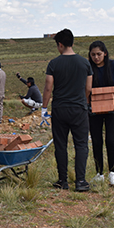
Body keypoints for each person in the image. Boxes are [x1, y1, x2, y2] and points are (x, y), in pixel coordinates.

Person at [42, 28, 92, 192]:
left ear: (60, 45)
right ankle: (81, 181)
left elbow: (48, 88)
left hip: (60, 109)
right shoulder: (85, 63)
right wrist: (82, 101)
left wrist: (44, 107)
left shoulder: (54, 63)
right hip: (79, 109)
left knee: (61, 145)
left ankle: (62, 181)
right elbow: (89, 87)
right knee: (81, 145)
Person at [88, 41, 114, 186]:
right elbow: (86, 89)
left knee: (110, 140)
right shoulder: (88, 68)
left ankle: (112, 173)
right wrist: (88, 105)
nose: (96, 57)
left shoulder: (113, 65)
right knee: (96, 141)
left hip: (113, 110)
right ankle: (99, 174)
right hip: (94, 111)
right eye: (93, 55)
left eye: (99, 54)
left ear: (105, 53)